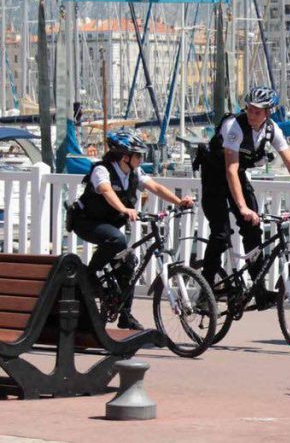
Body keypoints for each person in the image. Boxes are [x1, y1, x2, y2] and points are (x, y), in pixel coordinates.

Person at [197, 86, 290, 305]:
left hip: (237, 176)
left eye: (257, 111)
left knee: (253, 231)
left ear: (268, 113)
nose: (251, 115)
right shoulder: (233, 125)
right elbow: (231, 169)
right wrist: (243, 207)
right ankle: (204, 293)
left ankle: (259, 290)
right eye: (249, 109)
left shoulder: (272, 129)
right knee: (220, 232)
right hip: (215, 177)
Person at [69, 130, 195, 330]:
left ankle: (125, 316)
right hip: (86, 222)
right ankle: (90, 274)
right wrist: (124, 209)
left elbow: (155, 187)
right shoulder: (102, 170)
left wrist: (179, 202)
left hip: (108, 224)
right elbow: (106, 190)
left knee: (128, 264)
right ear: (124, 156)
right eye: (138, 155)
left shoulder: (135, 172)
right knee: (117, 239)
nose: (141, 158)